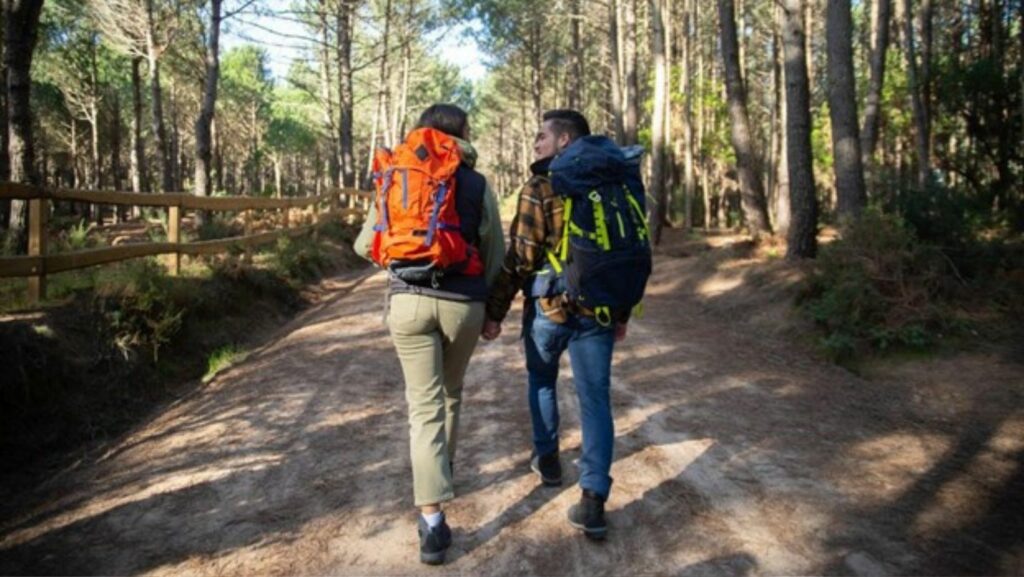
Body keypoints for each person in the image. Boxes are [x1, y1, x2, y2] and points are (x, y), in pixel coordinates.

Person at [483, 109, 647, 541]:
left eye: (542, 137)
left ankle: (548, 460)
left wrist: (494, 311)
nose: (536, 144)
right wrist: (623, 311)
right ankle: (593, 499)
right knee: (596, 399)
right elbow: (629, 250)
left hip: (548, 309)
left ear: (565, 140)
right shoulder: (617, 182)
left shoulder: (541, 185)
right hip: (598, 312)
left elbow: (521, 256)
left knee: (541, 379)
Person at [354, 103, 505, 565]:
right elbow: (494, 252)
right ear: (463, 134)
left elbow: (364, 245)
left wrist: (405, 264)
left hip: (408, 303)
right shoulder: (477, 183)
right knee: (451, 394)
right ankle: (443, 470)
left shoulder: (400, 175)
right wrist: (491, 309)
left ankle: (433, 523)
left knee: (423, 407)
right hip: (464, 305)